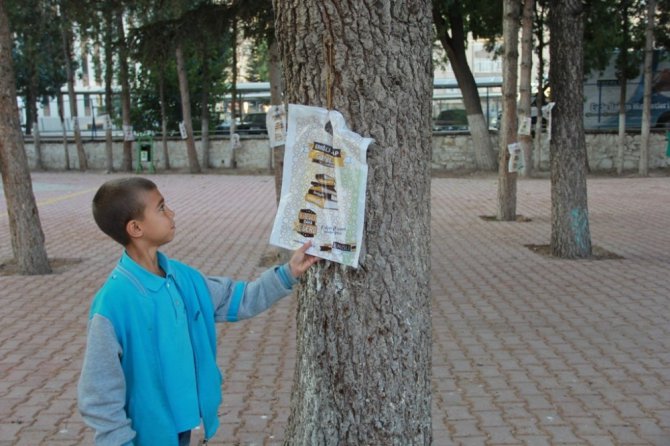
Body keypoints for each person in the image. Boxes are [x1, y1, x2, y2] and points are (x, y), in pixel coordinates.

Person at [78, 177, 318, 446]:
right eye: (161, 208)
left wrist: (288, 273)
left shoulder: (183, 277)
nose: (171, 213)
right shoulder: (113, 304)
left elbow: (239, 300)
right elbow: (98, 395)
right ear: (135, 228)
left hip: (182, 427)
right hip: (143, 435)